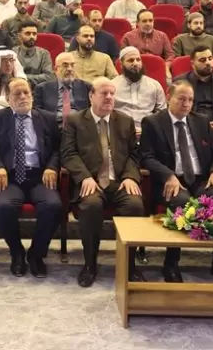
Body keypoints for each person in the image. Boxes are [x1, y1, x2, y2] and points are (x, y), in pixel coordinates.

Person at [140, 81, 213, 284]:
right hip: (171, 180)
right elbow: (147, 157)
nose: (186, 104)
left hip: (201, 179)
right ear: (169, 97)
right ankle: (171, 263)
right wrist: (168, 175)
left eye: (190, 100)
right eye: (181, 99)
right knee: (181, 203)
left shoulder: (202, 121)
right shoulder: (152, 122)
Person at [62, 77, 144, 287]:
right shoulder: (75, 120)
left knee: (134, 205)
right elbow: (68, 154)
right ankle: (90, 264)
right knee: (91, 206)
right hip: (91, 180)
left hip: (119, 180)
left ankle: (129, 265)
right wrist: (84, 177)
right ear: (91, 96)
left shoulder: (125, 121)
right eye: (104, 93)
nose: (109, 97)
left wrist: (129, 176)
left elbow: (134, 155)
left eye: (112, 94)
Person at [0, 78, 62, 277]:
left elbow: (58, 149)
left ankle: (36, 254)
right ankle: (16, 252)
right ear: (7, 98)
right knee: (3, 207)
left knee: (53, 206)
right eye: (17, 94)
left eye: (26, 92)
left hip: (39, 176)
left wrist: (51, 167)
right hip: (9, 178)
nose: (23, 97)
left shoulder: (47, 118)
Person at [111, 47, 166, 132]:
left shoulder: (154, 85)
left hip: (148, 131)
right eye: (130, 60)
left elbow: (162, 113)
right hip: (120, 131)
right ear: (121, 64)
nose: (135, 63)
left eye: (138, 60)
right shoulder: (112, 86)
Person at [34, 52, 91, 126]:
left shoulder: (86, 87)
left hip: (79, 127)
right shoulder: (42, 88)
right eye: (65, 65)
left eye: (72, 65)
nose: (70, 69)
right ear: (55, 69)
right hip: (53, 127)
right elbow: (38, 113)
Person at [121, 9, 174, 75]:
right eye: (144, 21)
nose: (148, 24)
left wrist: (166, 67)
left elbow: (170, 56)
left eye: (150, 20)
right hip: (135, 71)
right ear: (137, 23)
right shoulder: (128, 37)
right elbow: (123, 58)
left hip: (157, 69)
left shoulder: (162, 36)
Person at [13, 20, 54, 87]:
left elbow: (49, 77)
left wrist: (22, 77)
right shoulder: (13, 53)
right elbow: (9, 76)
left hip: (39, 89)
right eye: (28, 33)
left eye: (34, 34)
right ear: (19, 35)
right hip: (17, 88)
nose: (32, 36)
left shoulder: (44, 54)